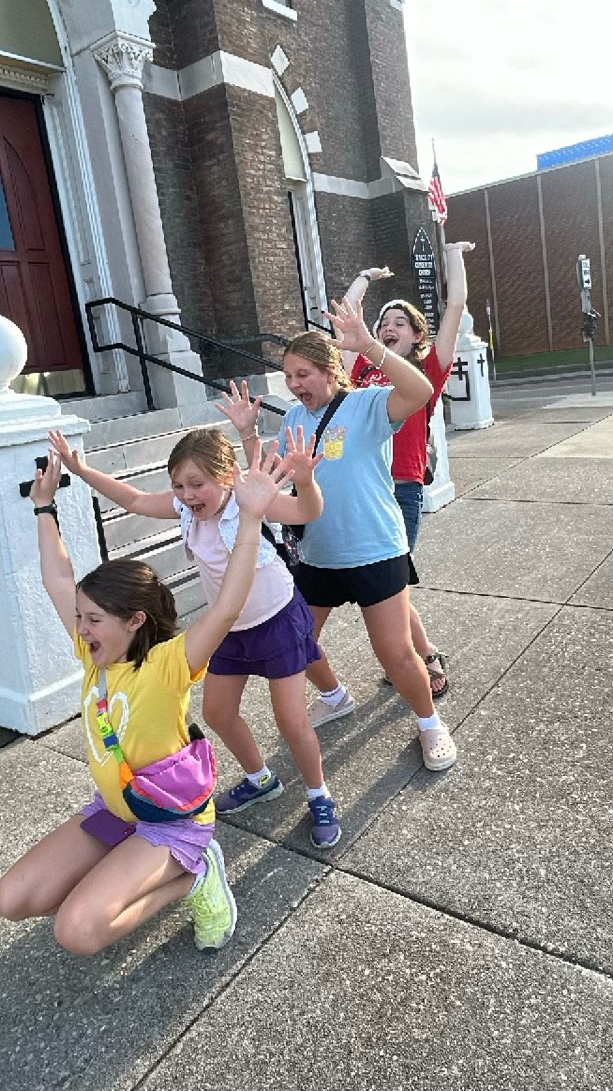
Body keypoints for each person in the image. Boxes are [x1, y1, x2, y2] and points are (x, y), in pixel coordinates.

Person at [0, 442, 292, 955]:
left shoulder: (167, 665)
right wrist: (43, 508)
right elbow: (58, 576)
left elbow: (226, 608)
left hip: (172, 816)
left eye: (93, 619)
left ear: (135, 621)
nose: (81, 627)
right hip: (118, 808)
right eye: (80, 617)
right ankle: (122, 873)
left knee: (77, 932)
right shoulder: (94, 654)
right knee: (14, 899)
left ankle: (195, 877)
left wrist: (250, 520)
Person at [48, 424, 342, 849]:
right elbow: (132, 499)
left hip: (277, 619)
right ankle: (261, 778)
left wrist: (306, 480)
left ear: (227, 478)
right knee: (219, 712)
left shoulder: (248, 502)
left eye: (196, 484)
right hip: (229, 630)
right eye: (178, 485)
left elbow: (307, 511)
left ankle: (319, 796)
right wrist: (83, 470)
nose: (187, 494)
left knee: (292, 721)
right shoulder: (186, 509)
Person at [218, 292, 458, 773]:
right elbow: (270, 484)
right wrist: (247, 435)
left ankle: (431, 723)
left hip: (374, 550)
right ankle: (335, 697)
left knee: (396, 656)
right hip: (320, 556)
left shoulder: (367, 405)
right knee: (298, 644)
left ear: (330, 372)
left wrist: (370, 344)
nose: (294, 384)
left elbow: (420, 391)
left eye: (302, 374)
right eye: (288, 376)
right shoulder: (293, 420)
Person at [333, 243, 475, 704]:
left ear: (417, 337)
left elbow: (455, 305)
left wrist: (452, 255)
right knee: (388, 583)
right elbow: (348, 319)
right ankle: (416, 657)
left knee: (392, 583)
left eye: (399, 324)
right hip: (362, 490)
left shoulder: (428, 368)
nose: (387, 328)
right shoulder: (361, 370)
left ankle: (423, 655)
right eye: (383, 324)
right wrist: (364, 278)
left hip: (401, 488)